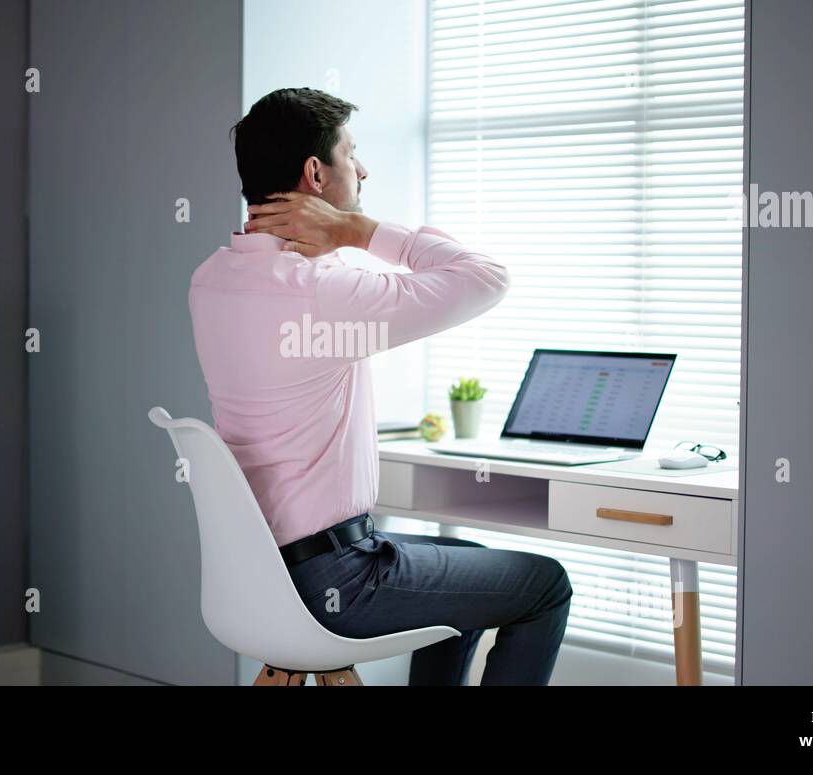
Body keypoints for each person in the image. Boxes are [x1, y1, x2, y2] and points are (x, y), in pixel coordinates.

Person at [187, 87, 572, 685]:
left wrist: (324, 237)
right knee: (546, 584)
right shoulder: (318, 292)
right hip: (337, 580)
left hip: (260, 574)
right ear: (316, 172)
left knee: (467, 566)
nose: (363, 169)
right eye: (351, 152)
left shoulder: (211, 279)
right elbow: (486, 278)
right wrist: (358, 230)